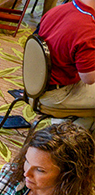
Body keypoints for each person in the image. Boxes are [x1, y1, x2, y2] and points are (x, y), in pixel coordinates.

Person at [38, 0, 95, 132]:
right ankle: (74, 141)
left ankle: (79, 123)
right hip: (57, 95)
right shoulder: (87, 28)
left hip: (38, 84)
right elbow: (89, 78)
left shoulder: (58, 10)